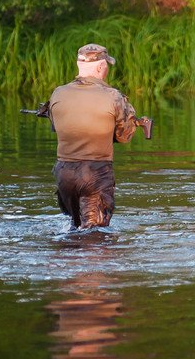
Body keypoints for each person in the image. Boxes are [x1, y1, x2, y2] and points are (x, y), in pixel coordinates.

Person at [47, 43, 144, 229]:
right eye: (106, 64)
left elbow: (56, 127)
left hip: (64, 175)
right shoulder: (113, 96)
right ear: (101, 67)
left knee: (74, 230)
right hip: (96, 174)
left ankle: (65, 258)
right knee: (95, 237)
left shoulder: (57, 93)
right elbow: (124, 137)